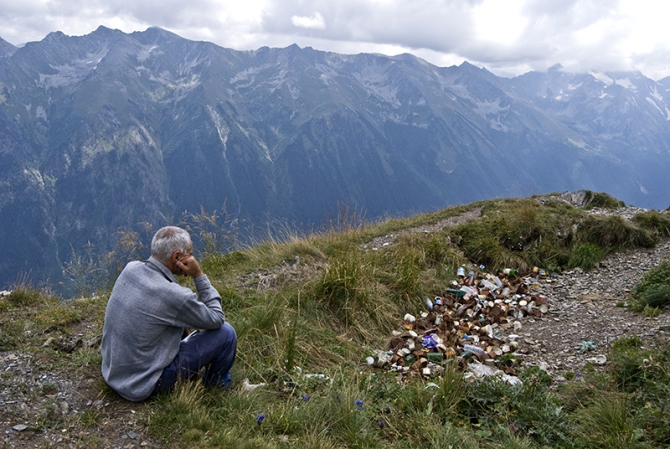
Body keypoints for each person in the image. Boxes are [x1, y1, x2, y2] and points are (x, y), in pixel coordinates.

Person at [101, 226, 237, 401]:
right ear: (177, 257)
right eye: (190, 253)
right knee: (226, 333)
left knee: (181, 324)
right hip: (141, 383)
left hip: (112, 371)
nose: (193, 258)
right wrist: (198, 275)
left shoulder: (131, 268)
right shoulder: (174, 295)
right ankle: (216, 384)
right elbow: (217, 318)